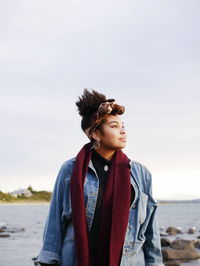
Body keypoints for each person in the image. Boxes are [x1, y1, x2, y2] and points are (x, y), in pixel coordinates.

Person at [34, 89, 164, 266]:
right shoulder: (70, 170)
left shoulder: (141, 173)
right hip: (77, 260)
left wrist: (155, 263)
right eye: (114, 126)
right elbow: (55, 221)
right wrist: (48, 259)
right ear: (95, 133)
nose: (123, 132)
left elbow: (150, 228)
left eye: (123, 126)